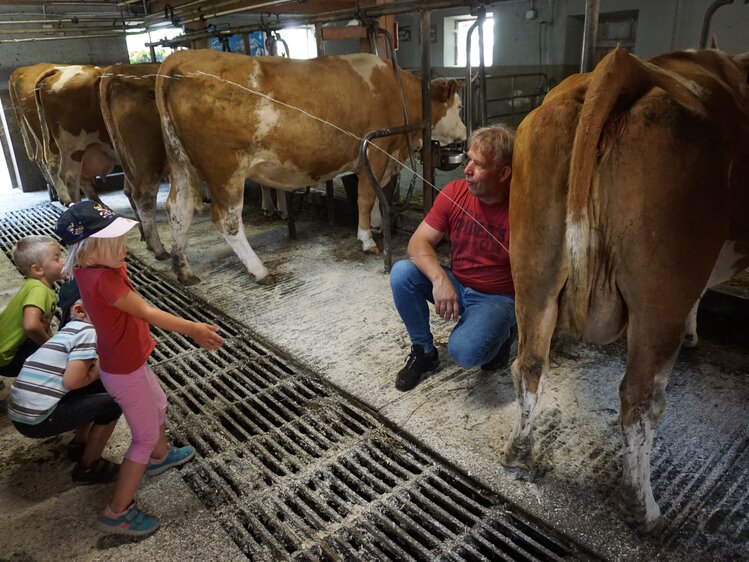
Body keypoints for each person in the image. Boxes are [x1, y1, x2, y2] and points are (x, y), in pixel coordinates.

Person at [55, 200, 224, 537]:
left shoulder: (95, 268)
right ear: (87, 253)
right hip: (124, 371)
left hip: (126, 362)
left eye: (122, 238)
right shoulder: (103, 280)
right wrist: (194, 329)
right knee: (143, 437)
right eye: (114, 242)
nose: (124, 247)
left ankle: (161, 457)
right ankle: (117, 511)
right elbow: (146, 312)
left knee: (159, 404)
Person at [390, 123, 517, 391]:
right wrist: (439, 279)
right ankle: (424, 353)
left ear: (504, 173)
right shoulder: (456, 192)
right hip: (458, 282)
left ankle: (504, 332)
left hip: (497, 297)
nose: (467, 170)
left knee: (465, 353)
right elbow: (417, 242)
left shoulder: (521, 208)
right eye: (468, 159)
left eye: (478, 164)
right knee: (402, 273)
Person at [8, 278, 122, 484]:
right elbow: (73, 382)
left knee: (92, 389)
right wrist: (99, 370)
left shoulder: (65, 333)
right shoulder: (88, 333)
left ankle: (79, 445)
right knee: (113, 404)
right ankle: (88, 468)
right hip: (37, 419)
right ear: (79, 310)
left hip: (20, 412)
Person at [0, 235, 64, 378]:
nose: (63, 261)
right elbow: (31, 326)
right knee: (58, 361)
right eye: (57, 258)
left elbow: (42, 324)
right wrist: (49, 347)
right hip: (7, 360)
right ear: (37, 270)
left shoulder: (33, 284)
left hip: (4, 351)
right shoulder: (39, 290)